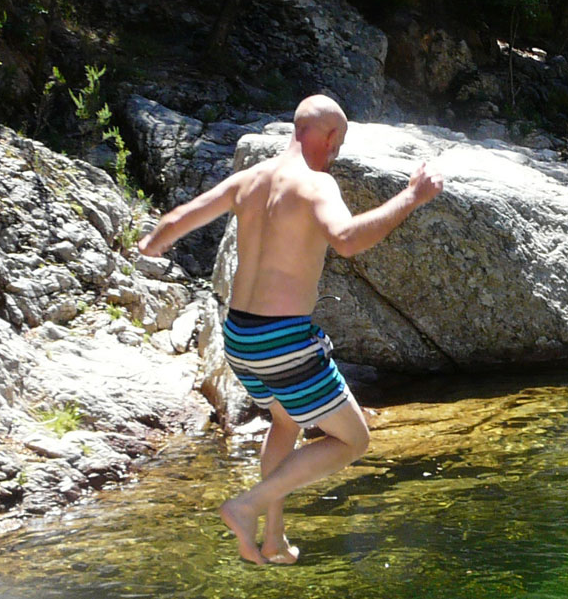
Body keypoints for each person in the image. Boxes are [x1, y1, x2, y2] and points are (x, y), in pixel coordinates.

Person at [136, 95, 444, 564]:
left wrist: (149, 246)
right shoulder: (316, 186)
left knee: (285, 420)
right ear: (329, 137)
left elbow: (175, 221)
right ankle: (247, 507)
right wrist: (412, 196)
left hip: (239, 337)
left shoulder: (248, 180)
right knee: (352, 440)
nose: (337, 152)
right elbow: (347, 240)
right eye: (338, 143)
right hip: (283, 341)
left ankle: (274, 536)